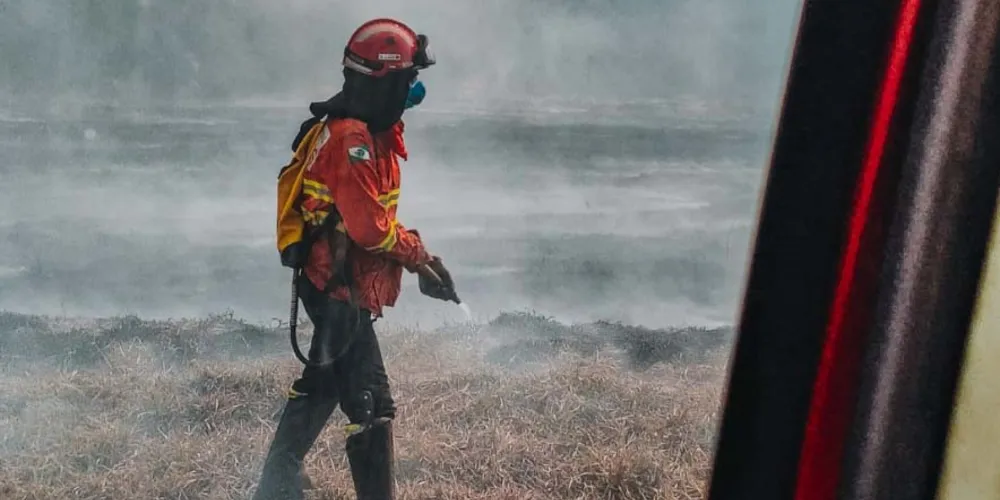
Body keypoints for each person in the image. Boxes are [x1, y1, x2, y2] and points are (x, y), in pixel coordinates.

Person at [253, 18, 459, 500]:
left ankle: (275, 486)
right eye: (408, 81)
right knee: (371, 403)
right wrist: (418, 256)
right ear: (383, 83)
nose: (414, 90)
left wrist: (423, 261)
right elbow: (369, 228)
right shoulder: (352, 141)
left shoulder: (359, 129)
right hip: (337, 285)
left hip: (334, 281)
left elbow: (370, 220)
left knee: (324, 381)